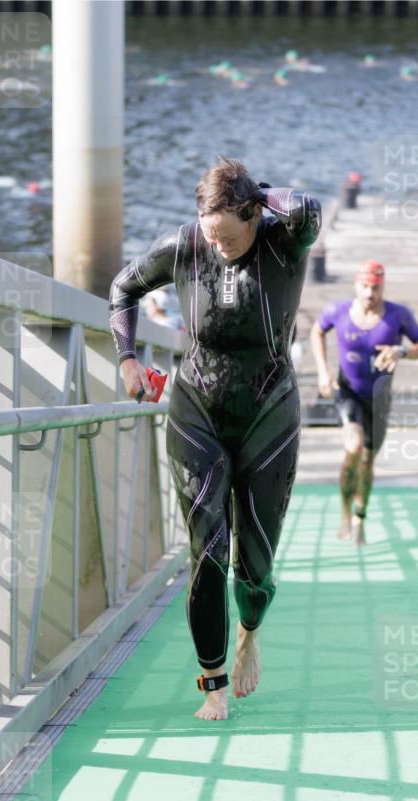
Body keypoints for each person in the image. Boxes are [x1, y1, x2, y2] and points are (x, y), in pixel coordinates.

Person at [109, 157, 321, 721]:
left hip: (268, 414)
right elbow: (123, 289)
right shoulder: (185, 246)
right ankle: (213, 682)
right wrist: (128, 360)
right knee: (208, 548)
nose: (219, 246)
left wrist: (259, 192)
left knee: (256, 566)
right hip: (196, 407)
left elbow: (310, 207)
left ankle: (251, 630)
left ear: (254, 213)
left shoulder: (284, 242)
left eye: (228, 235)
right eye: (210, 235)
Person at [310, 260, 418, 546]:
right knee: (353, 446)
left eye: (375, 288)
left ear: (383, 287)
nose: (369, 293)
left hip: (379, 398)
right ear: (356, 284)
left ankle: (359, 516)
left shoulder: (398, 316)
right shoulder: (337, 311)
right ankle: (343, 513)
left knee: (367, 460)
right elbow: (317, 331)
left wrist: (401, 350)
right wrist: (323, 371)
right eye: (365, 286)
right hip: (348, 391)